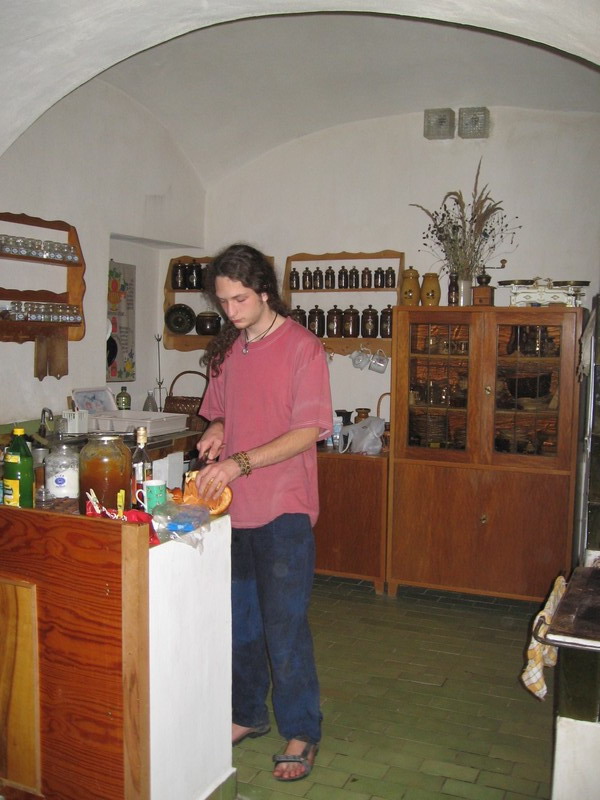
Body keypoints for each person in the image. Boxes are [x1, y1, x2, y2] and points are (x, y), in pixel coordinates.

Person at [195, 243, 333, 782]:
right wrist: (217, 430)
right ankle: (247, 714)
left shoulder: (303, 348)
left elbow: (306, 431)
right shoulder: (229, 351)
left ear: (265, 292)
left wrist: (239, 463)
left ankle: (302, 730)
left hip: (283, 510)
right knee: (241, 623)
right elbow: (222, 412)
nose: (231, 310)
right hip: (234, 510)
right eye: (223, 301)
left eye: (240, 300)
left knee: (284, 627)